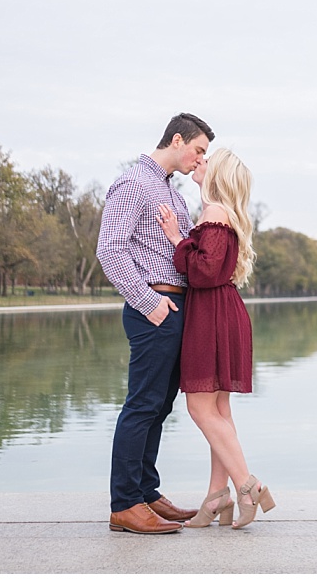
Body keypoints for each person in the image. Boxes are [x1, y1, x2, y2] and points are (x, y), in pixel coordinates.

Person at [97, 113, 214, 535]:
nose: (200, 158)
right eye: (198, 150)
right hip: (154, 307)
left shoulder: (169, 191)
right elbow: (109, 250)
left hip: (176, 307)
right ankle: (125, 504)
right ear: (177, 139)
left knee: (160, 406)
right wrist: (151, 304)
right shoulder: (133, 184)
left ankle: (146, 493)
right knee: (142, 404)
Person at [157, 148, 276, 528]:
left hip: (210, 314)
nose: (199, 163)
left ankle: (247, 486)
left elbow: (203, 271)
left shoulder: (213, 213)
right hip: (225, 311)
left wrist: (177, 238)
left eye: (206, 161)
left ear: (217, 174)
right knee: (219, 412)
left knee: (200, 409)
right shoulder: (226, 215)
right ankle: (216, 498)